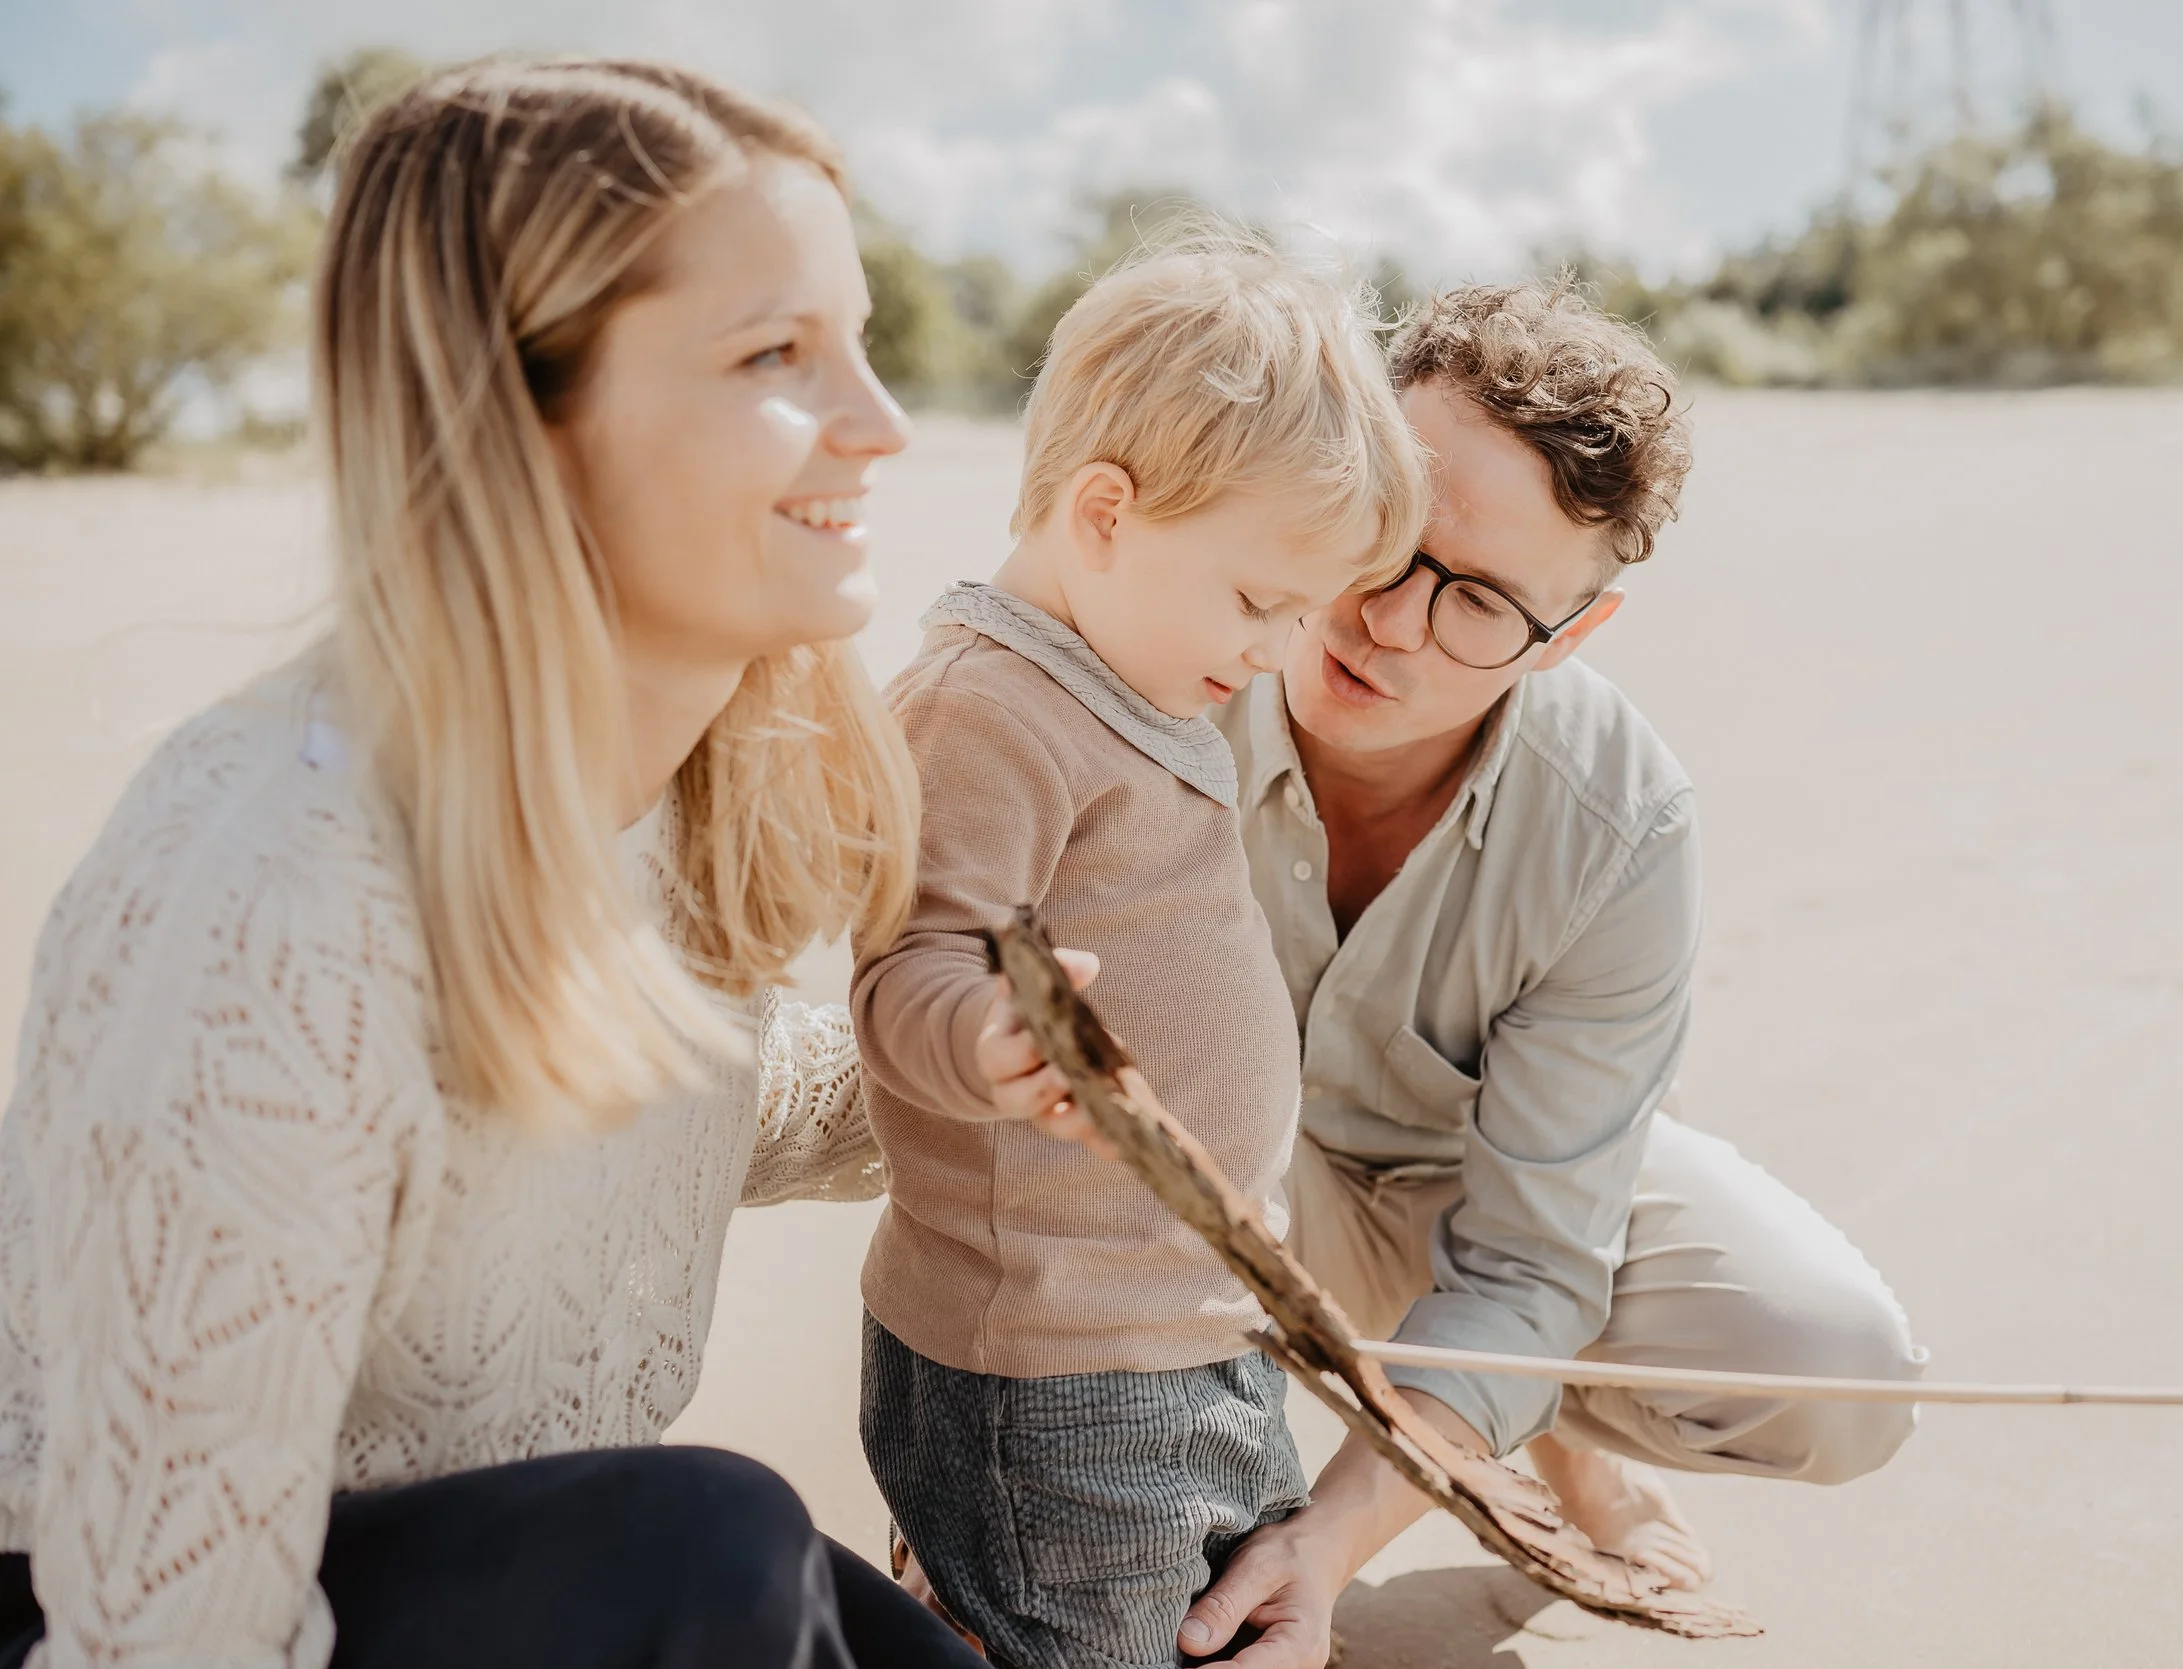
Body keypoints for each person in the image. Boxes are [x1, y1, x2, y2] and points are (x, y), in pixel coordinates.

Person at [0, 59, 982, 1669]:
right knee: (709, 1548)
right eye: (776, 355)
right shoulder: (270, 901)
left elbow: (636, 1107)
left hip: (475, 1565)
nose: (877, 425)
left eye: (857, 338)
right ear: (519, 416)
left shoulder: (679, 781)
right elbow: (162, 1626)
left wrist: (975, 1075)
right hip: (137, 1607)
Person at [996, 282, 1927, 1667]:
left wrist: (1324, 1546)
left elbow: (1534, 1261)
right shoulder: (1150, 642)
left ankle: (1541, 1438)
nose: (1392, 626)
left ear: (1571, 638)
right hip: (1168, 1170)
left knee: (1836, 1374)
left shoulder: (1625, 822)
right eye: (1385, 542)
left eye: (1484, 602)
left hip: (1462, 1188)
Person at [848, 227, 1429, 1669]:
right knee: (1089, 1636)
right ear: (1103, 512)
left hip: (1188, 1322)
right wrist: (987, 1037)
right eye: (1256, 602)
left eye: (1302, 611)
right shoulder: (986, 707)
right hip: (1054, 1367)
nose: (1281, 647)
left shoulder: (1134, 677)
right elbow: (902, 967)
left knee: (1203, 1620)